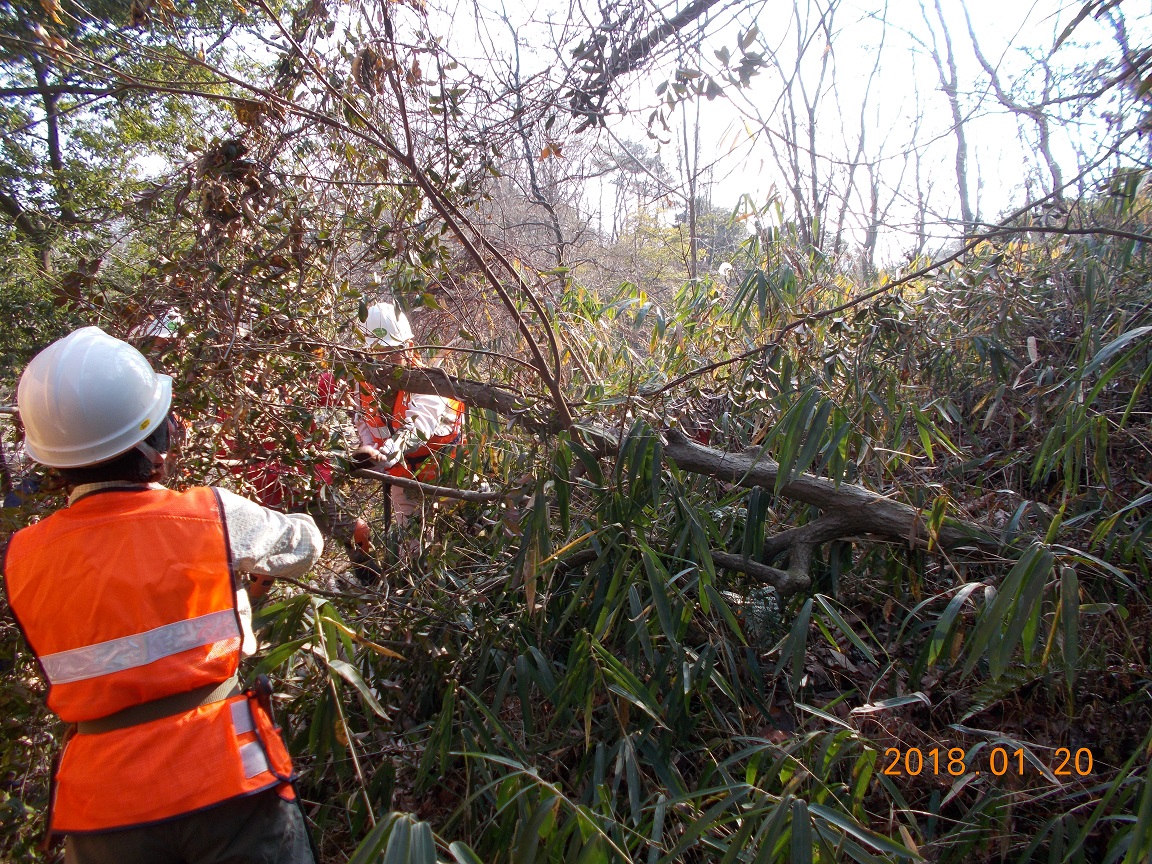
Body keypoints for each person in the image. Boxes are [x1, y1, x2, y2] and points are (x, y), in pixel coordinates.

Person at [2, 326, 320, 863]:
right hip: (225, 779)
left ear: (53, 461)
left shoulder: (21, 555)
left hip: (102, 807)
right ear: (155, 443)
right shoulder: (209, 513)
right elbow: (304, 543)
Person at [351, 301, 464, 551]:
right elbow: (364, 422)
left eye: (391, 352)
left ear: (408, 347)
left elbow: (419, 426)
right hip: (405, 479)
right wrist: (369, 452)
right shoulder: (364, 384)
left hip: (445, 478)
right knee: (411, 550)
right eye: (377, 353)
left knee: (462, 538)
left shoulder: (428, 383)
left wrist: (388, 451)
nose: (384, 362)